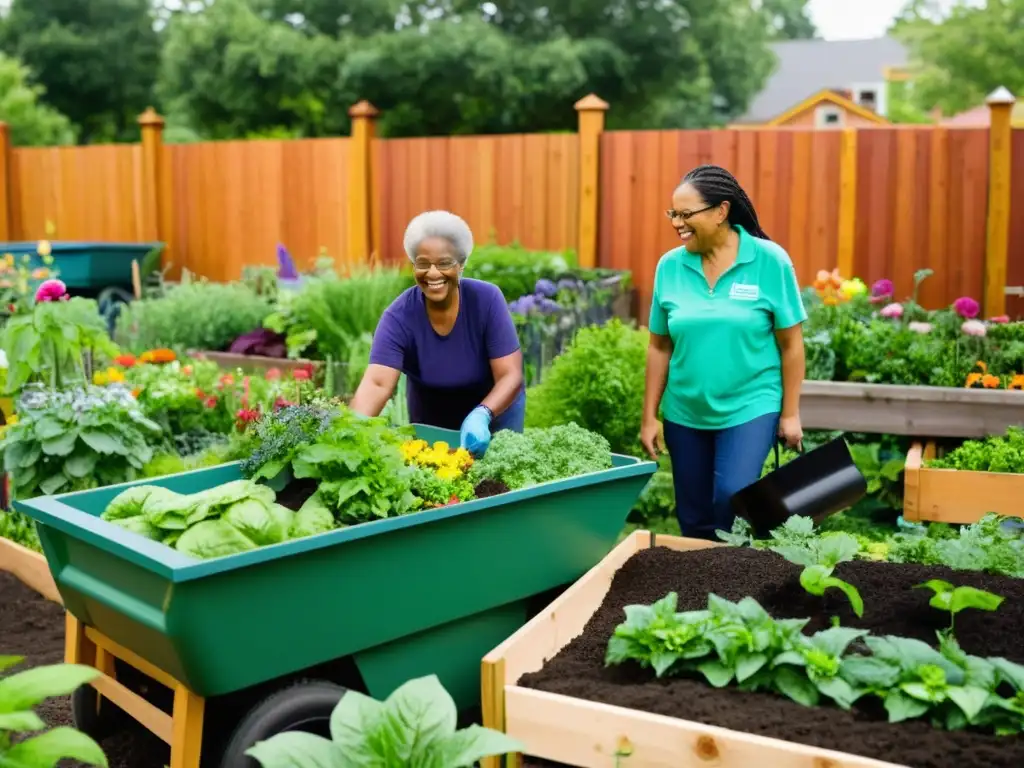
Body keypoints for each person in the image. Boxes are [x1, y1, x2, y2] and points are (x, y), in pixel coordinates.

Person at [640, 165, 807, 541]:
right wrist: (649, 416)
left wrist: (791, 413)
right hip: (686, 408)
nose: (677, 224)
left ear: (721, 211)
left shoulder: (769, 261)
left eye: (686, 215)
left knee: (732, 499)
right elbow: (659, 345)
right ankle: (703, 589)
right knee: (693, 514)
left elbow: (792, 344)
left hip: (750, 403)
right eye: (673, 214)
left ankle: (736, 582)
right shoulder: (670, 267)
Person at [349, 210, 525, 457]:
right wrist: (349, 433)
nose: (432, 273)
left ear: (461, 264)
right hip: (432, 419)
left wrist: (482, 414)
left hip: (492, 415)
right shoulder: (399, 317)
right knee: (441, 488)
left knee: (499, 483)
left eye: (444, 263)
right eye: (423, 263)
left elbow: (510, 375)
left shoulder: (486, 300)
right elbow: (377, 383)